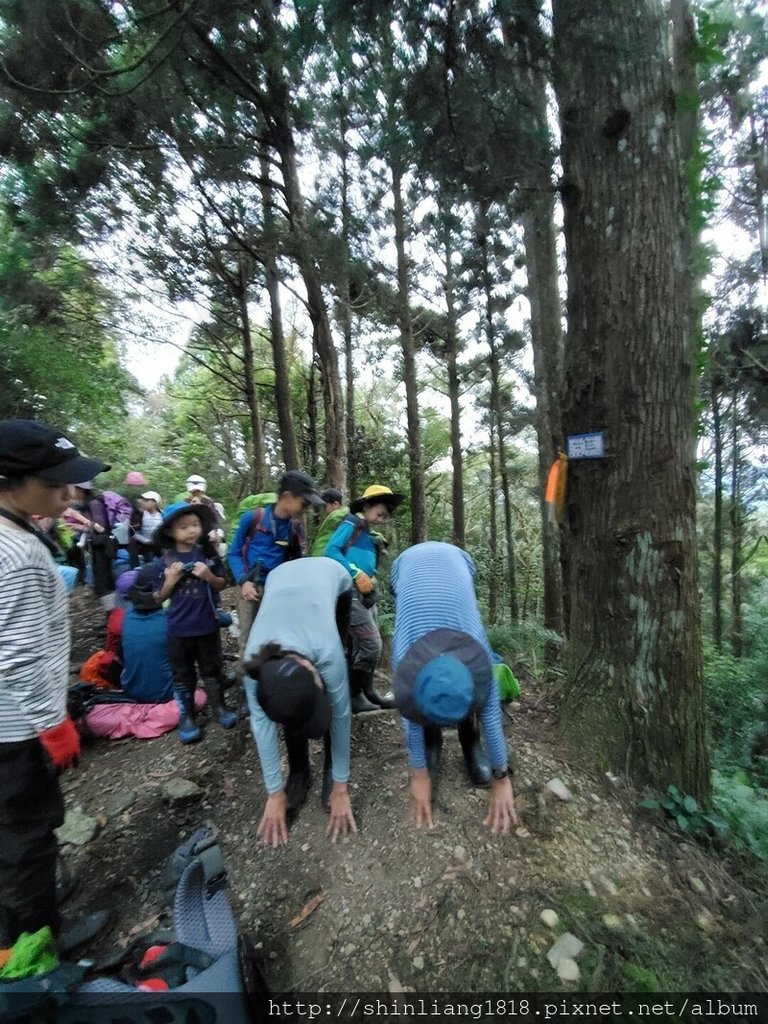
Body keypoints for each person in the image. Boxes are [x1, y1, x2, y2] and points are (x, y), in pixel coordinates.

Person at [0, 419, 111, 953]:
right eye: (54, 483)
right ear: (10, 482)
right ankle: (36, 952)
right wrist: (53, 724)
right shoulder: (19, 554)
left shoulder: (15, 533)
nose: (69, 493)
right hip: (15, 728)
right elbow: (18, 658)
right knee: (30, 837)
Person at [390, 541, 518, 835]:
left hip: (461, 561)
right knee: (430, 696)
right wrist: (419, 772)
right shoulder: (403, 657)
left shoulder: (481, 659)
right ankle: (431, 740)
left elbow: (492, 719)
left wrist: (501, 777)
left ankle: (468, 741)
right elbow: (409, 718)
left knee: (457, 694)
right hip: (404, 565)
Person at [243, 557, 357, 846]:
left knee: (336, 680)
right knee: (288, 702)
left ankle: (330, 766)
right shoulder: (253, 668)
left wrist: (341, 785)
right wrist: (274, 792)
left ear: (312, 669)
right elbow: (261, 723)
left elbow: (342, 714)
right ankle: (299, 770)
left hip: (333, 578)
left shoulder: (326, 653)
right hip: (280, 578)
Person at [149, 502, 234, 743]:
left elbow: (222, 583)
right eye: (183, 527)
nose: (191, 530)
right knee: (183, 674)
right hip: (179, 629)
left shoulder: (208, 554)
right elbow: (159, 597)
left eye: (195, 525)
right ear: (169, 531)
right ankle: (187, 717)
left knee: (212, 669)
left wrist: (208, 576)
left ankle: (219, 708)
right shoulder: (164, 561)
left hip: (207, 625)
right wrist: (171, 580)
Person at [227, 470, 324, 673]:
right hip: (249, 587)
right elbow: (234, 553)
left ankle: (272, 682)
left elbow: (297, 562)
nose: (305, 509)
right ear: (287, 496)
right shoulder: (252, 518)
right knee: (248, 638)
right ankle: (247, 689)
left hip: (277, 591)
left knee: (274, 637)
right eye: (304, 503)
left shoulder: (295, 528)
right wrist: (243, 581)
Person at [325, 484, 402, 712]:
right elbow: (331, 551)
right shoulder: (351, 523)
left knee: (360, 646)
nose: (382, 519)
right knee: (371, 645)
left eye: (386, 517)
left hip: (365, 595)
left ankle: (365, 693)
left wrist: (370, 578)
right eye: (380, 514)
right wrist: (355, 573)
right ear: (366, 507)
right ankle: (356, 694)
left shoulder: (369, 533)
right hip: (351, 596)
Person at [117, 566, 175, 703]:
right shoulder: (170, 619)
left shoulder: (128, 616)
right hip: (167, 694)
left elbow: (120, 654)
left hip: (131, 691)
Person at [309, 488, 349, 557]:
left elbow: (326, 542)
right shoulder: (344, 517)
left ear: (335, 504)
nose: (324, 510)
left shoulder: (336, 518)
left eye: (325, 506)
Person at [130, 490, 163, 564]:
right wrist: (146, 540)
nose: (143, 502)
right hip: (144, 546)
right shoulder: (139, 515)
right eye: (143, 500)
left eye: (146, 500)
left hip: (159, 545)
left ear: (154, 502)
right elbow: (133, 532)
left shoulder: (162, 515)